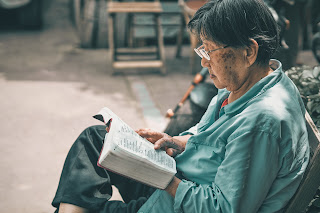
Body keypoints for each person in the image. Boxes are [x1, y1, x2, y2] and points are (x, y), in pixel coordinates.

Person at [52, 0, 310, 212]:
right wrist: (177, 142)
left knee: (81, 203)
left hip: (178, 201)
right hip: (182, 180)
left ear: (249, 52)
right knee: (96, 138)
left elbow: (223, 209)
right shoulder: (253, 83)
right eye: (203, 50)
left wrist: (166, 181)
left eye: (210, 51)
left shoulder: (262, 122)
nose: (204, 62)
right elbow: (214, 138)